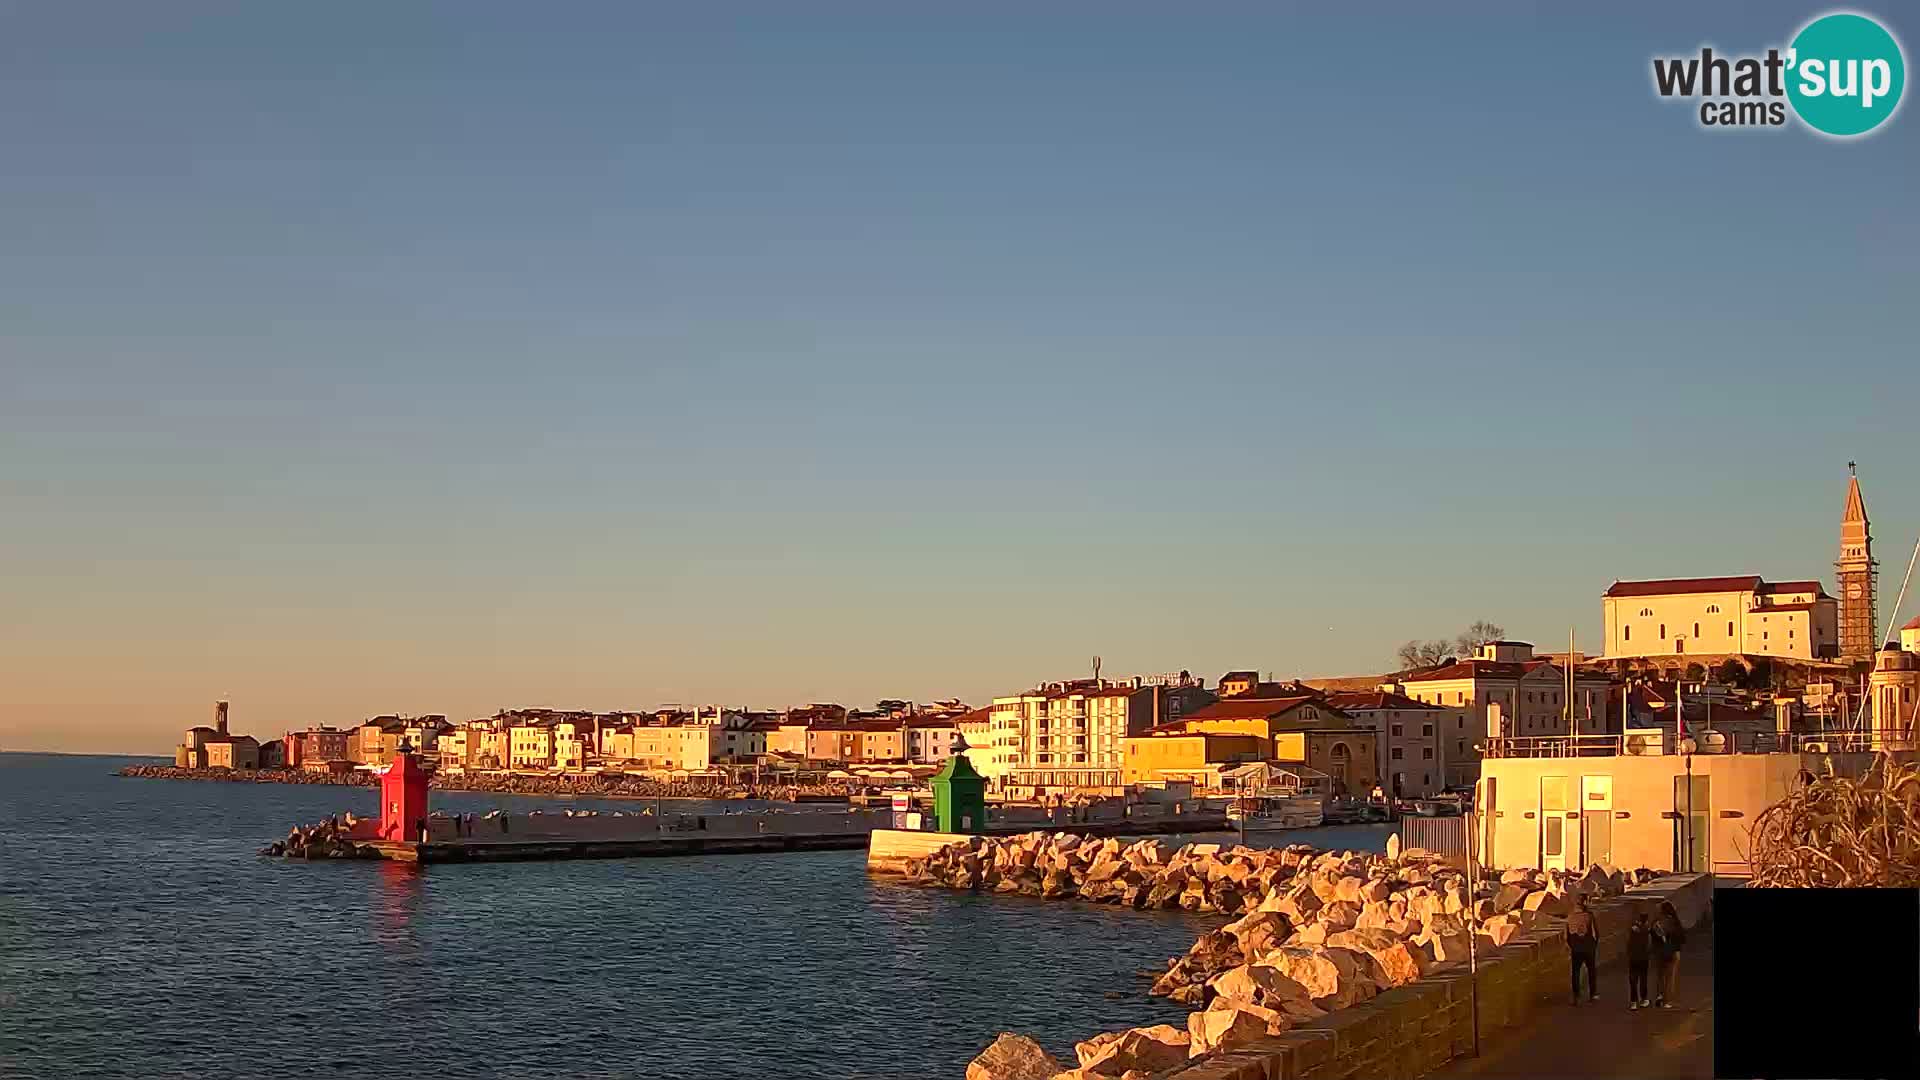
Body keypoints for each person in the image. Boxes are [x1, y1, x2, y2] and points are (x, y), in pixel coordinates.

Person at [1650, 900, 1685, 1008]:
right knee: (1670, 977)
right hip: (1673, 951)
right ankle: (1667, 1000)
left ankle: (1659, 996)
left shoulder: (1656, 922)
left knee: (1660, 976)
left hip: (1659, 952)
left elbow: (1653, 937)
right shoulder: (1673, 921)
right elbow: (1681, 937)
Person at [1566, 894, 1600, 1004]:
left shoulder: (1570, 917)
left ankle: (1576, 996)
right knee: (1591, 971)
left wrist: (1572, 945)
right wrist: (1594, 944)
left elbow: (1567, 936)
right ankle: (1593, 994)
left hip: (1576, 948)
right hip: (1588, 947)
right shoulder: (1589, 916)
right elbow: (1595, 933)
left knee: (1575, 972)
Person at [1626, 911, 1652, 1009]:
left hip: (1633, 957)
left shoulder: (1632, 930)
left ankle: (1633, 1001)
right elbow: (1649, 945)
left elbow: (1628, 943)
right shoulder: (1647, 930)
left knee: (1633, 980)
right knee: (1643, 978)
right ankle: (1644, 999)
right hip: (1643, 957)